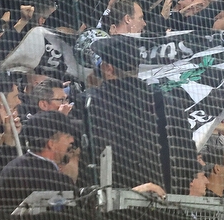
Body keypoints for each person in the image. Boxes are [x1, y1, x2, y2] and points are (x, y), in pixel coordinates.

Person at [85, 35, 198, 194]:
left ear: (108, 68)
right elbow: (189, 159)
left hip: (111, 206)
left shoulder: (91, 102)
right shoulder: (169, 104)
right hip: (166, 205)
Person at [0, 111, 78, 209]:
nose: (72, 140)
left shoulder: (10, 168)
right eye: (67, 137)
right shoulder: (58, 182)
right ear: (51, 144)